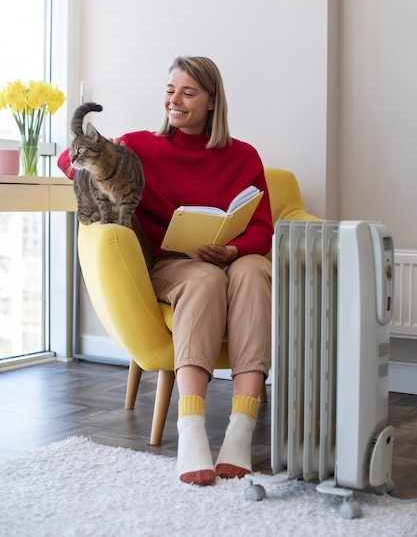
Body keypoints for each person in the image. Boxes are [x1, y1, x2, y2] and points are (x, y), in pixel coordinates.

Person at [58, 56, 273, 486]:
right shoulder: (138, 146)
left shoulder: (244, 155)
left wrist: (231, 248)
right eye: (170, 90)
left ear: (212, 101)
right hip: (172, 265)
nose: (174, 100)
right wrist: (105, 153)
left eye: (188, 92)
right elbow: (69, 160)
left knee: (253, 272)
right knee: (205, 279)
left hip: (229, 258)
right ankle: (191, 428)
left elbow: (264, 227)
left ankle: (240, 430)